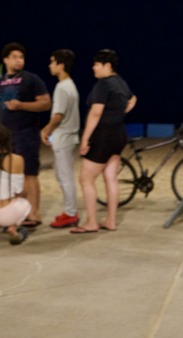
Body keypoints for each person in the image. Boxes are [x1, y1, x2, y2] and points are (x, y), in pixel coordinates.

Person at [71, 49, 137, 234]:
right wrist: (119, 113)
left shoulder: (103, 84)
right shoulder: (121, 83)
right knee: (110, 177)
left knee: (86, 178)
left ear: (107, 66)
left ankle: (91, 222)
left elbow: (96, 112)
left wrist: (84, 139)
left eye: (96, 64)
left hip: (103, 136)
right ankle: (111, 220)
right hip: (118, 134)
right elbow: (133, 99)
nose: (93, 68)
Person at [0, 42, 51, 227]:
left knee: (29, 174)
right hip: (5, 137)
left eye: (21, 57)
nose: (19, 60)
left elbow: (46, 103)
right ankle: (16, 213)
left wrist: (22, 105)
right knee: (10, 176)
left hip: (26, 134)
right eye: (15, 57)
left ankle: (34, 214)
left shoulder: (31, 79)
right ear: (5, 60)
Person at [40, 49, 81, 229]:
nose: (50, 65)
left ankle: (71, 213)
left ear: (61, 65)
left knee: (65, 177)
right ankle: (69, 210)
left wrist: (46, 129)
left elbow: (58, 115)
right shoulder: (70, 85)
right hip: (68, 136)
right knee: (62, 175)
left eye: (52, 62)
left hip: (64, 137)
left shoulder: (62, 87)